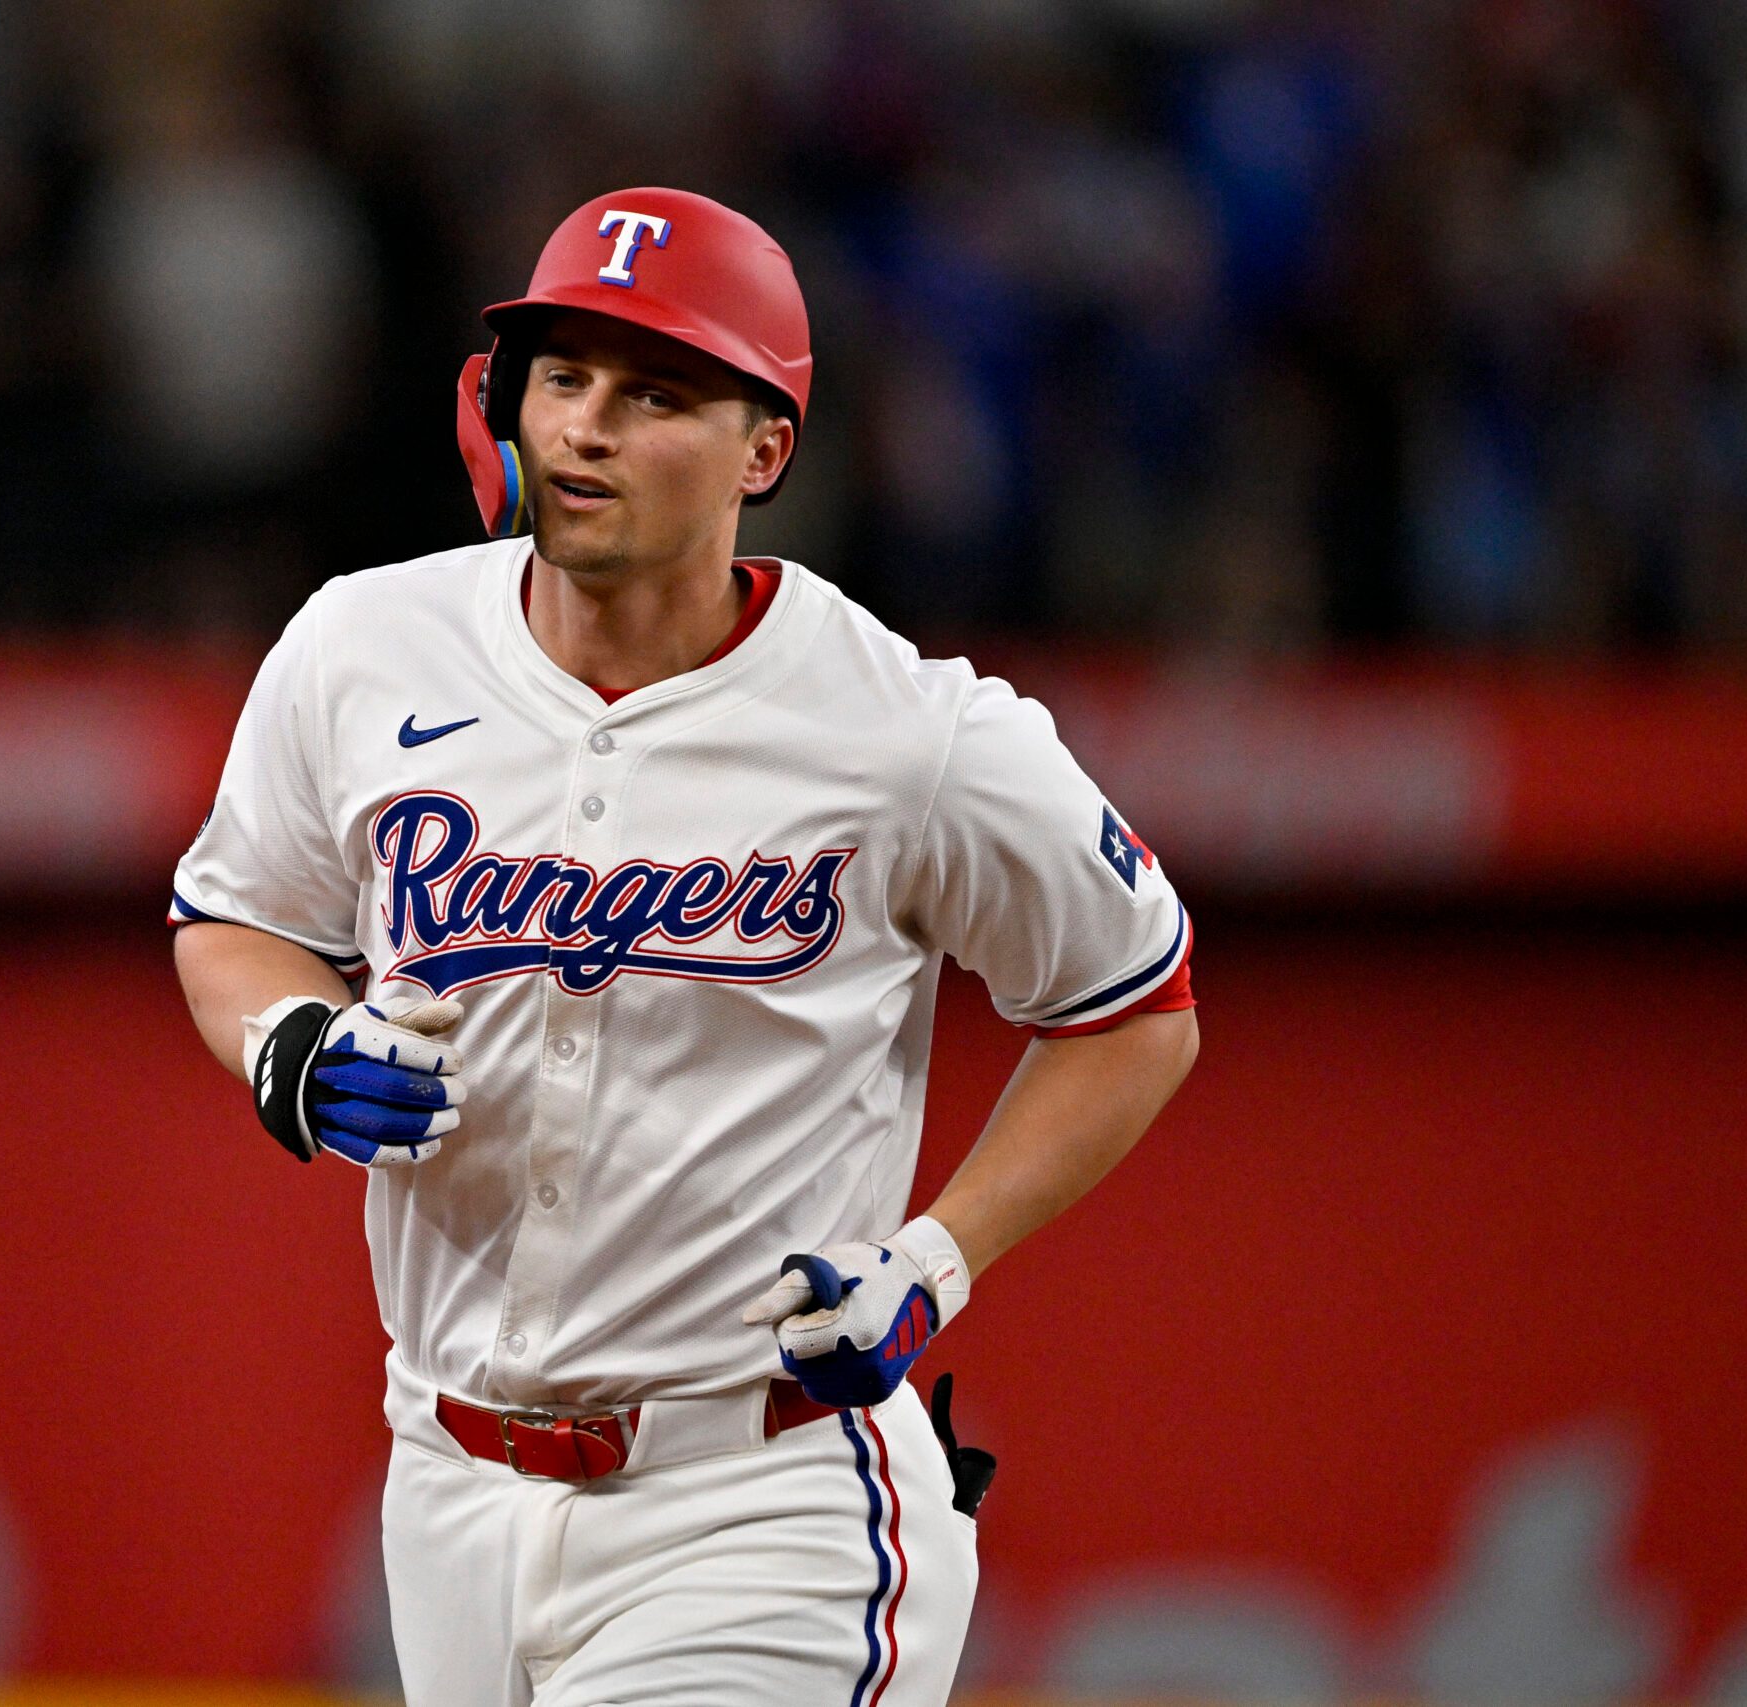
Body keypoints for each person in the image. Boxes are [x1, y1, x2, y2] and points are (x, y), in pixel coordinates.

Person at [169, 187, 1198, 1707]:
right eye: (564, 377)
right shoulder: (360, 646)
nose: (586, 428)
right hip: (446, 1481)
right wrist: (292, 1043)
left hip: (759, 1490)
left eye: (654, 394)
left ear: (763, 452)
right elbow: (238, 914)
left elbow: (1138, 1006)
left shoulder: (908, 730)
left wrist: (936, 1258)